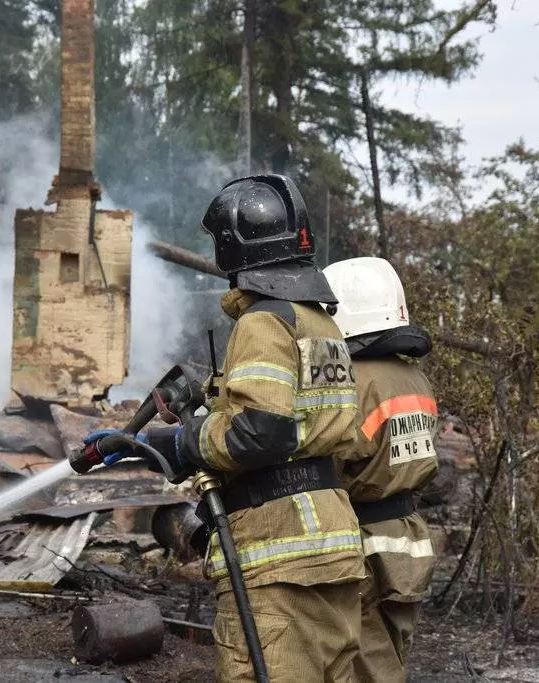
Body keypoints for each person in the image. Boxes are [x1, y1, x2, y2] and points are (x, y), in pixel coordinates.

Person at [85, 174, 367, 681]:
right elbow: (299, 426)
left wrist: (184, 439)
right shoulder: (320, 326)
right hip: (332, 548)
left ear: (233, 250)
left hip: (277, 553)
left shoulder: (262, 323)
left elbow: (261, 433)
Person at [321, 256, 439, 683]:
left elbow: (328, 459)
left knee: (365, 665)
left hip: (360, 543)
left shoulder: (351, 380)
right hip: (405, 540)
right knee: (393, 651)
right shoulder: (413, 377)